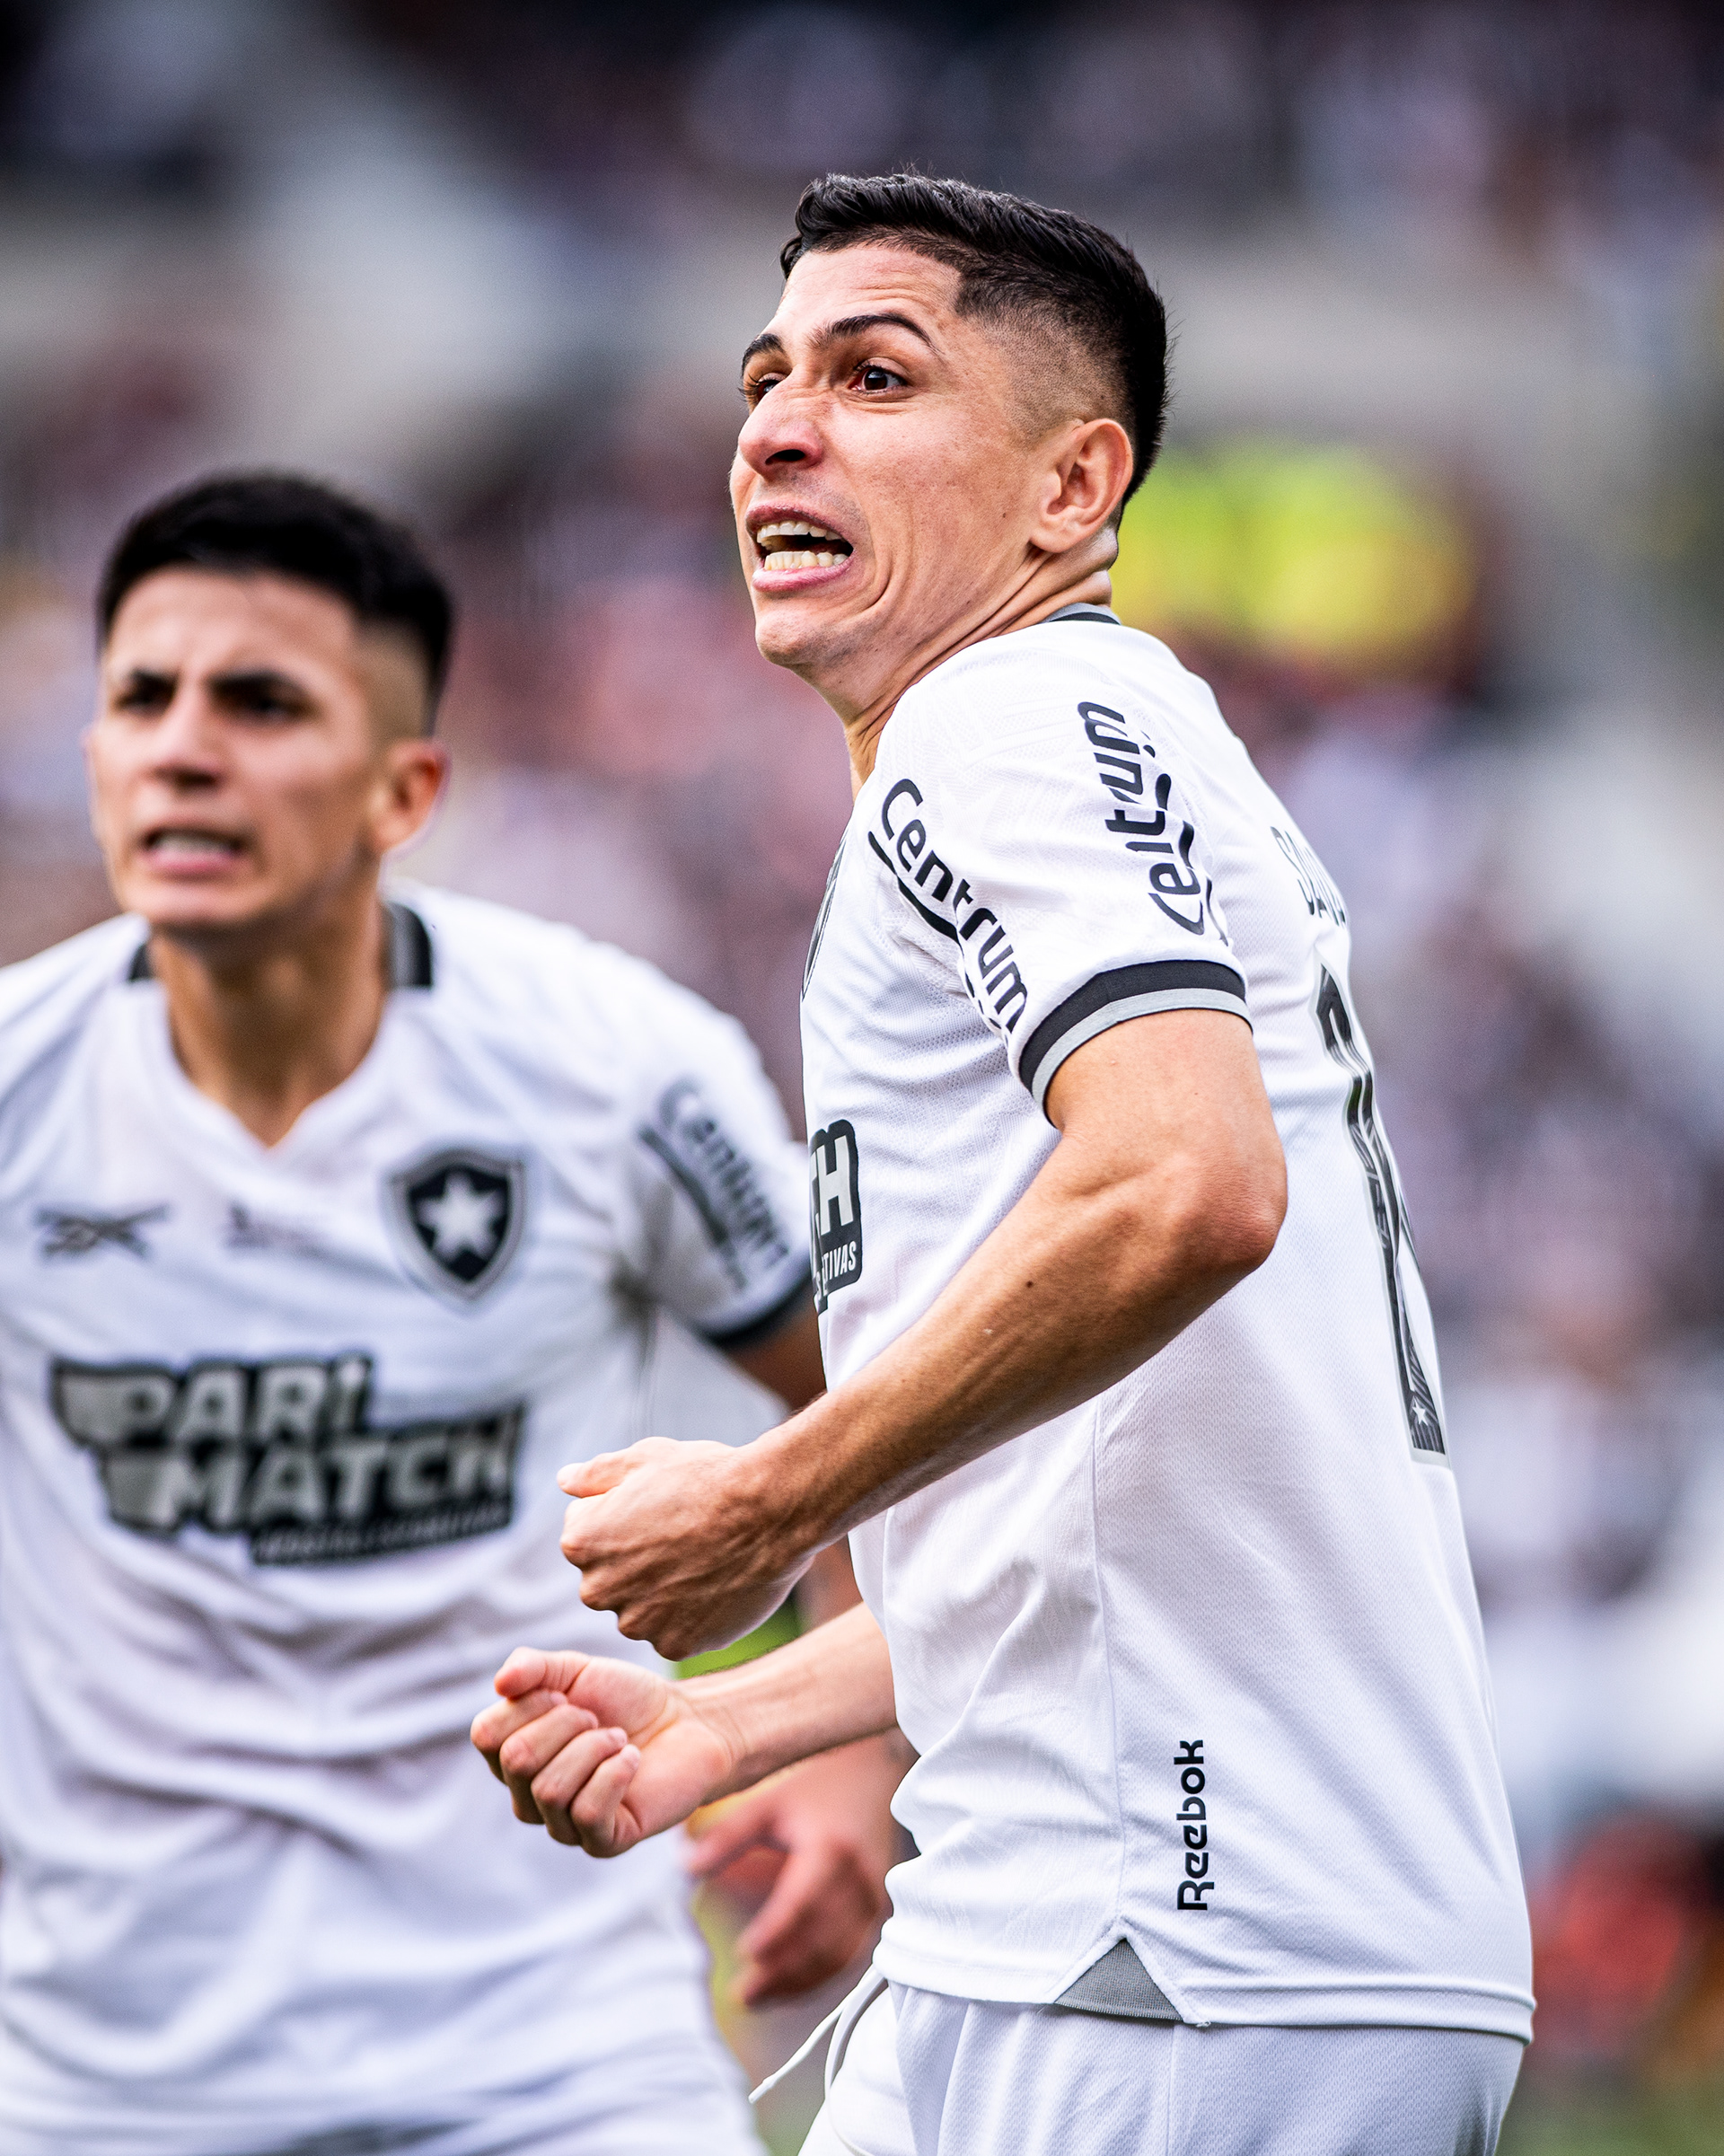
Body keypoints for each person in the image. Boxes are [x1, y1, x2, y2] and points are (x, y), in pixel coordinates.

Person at [474, 174, 1535, 2156]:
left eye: (876, 378)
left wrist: (767, 1500)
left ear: (1075, 488)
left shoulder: (1011, 718)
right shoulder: (1093, 743)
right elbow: (1102, 1505)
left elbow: (1188, 1185)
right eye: (766, 380)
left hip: (1180, 1933)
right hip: (1144, 1916)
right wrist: (740, 1716)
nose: (777, 431)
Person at [0, 471, 902, 2156]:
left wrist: (850, 1755)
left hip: (550, 2063)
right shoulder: (18, 1093)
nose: (183, 750)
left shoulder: (614, 1068)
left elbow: (875, 1405)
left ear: (403, 787)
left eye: (261, 703)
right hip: (99, 2084)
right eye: (142, 698)